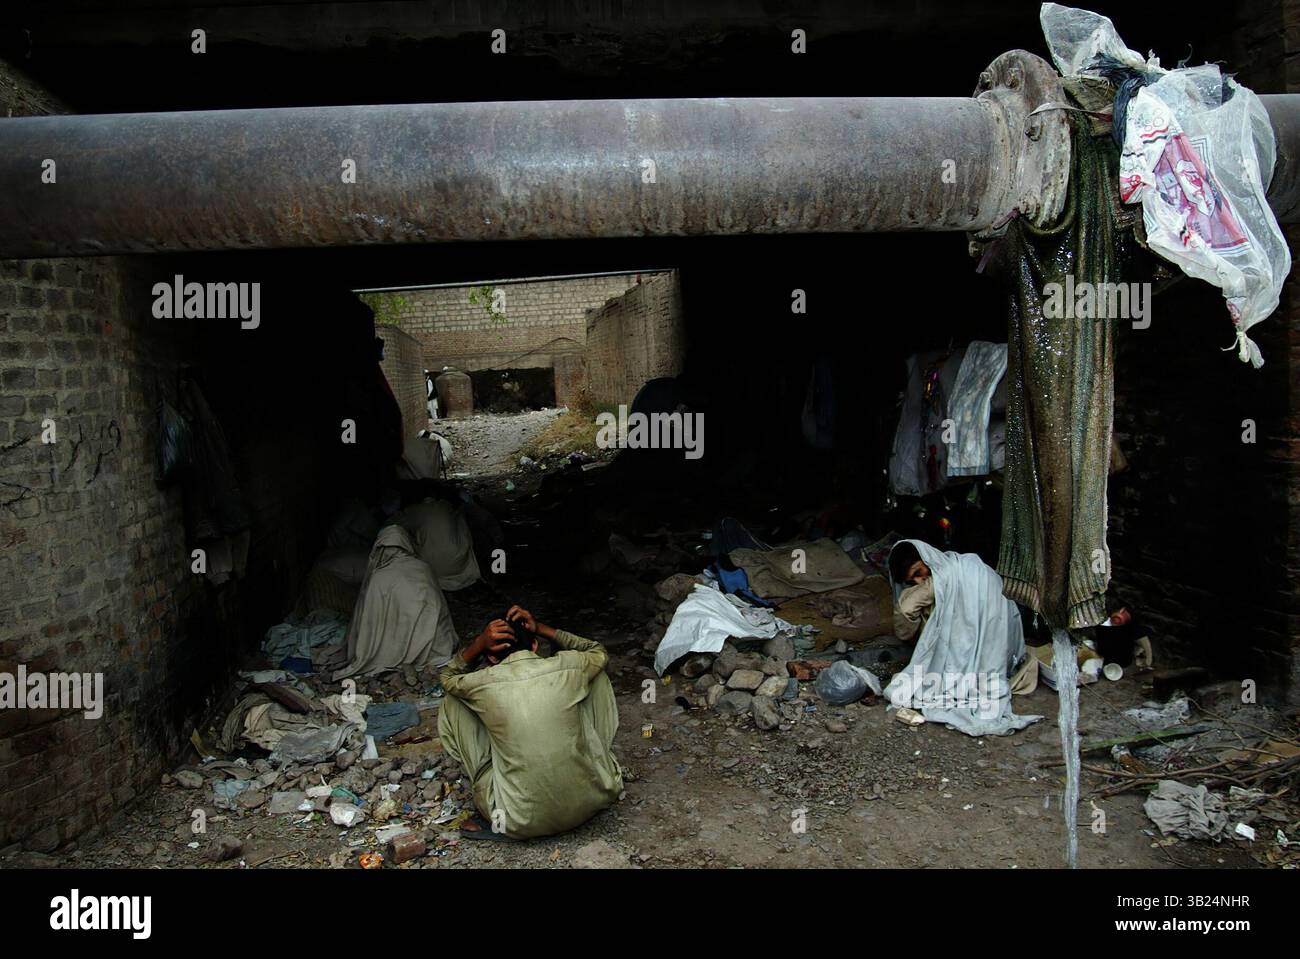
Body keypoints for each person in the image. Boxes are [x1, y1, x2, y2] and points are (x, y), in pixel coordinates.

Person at [437, 605, 623, 839]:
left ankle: (497, 784)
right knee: (595, 673)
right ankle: (595, 767)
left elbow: (446, 677)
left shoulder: (478, 682)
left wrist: (478, 644)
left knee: (454, 700)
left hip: (517, 820)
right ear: (535, 646)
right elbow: (597, 650)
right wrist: (542, 628)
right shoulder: (570, 665)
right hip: (594, 800)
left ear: (491, 657)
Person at [888, 540, 934, 643]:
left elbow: (905, 609)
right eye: (911, 581)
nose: (918, 581)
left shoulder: (957, 569)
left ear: (926, 557)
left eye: (918, 572)